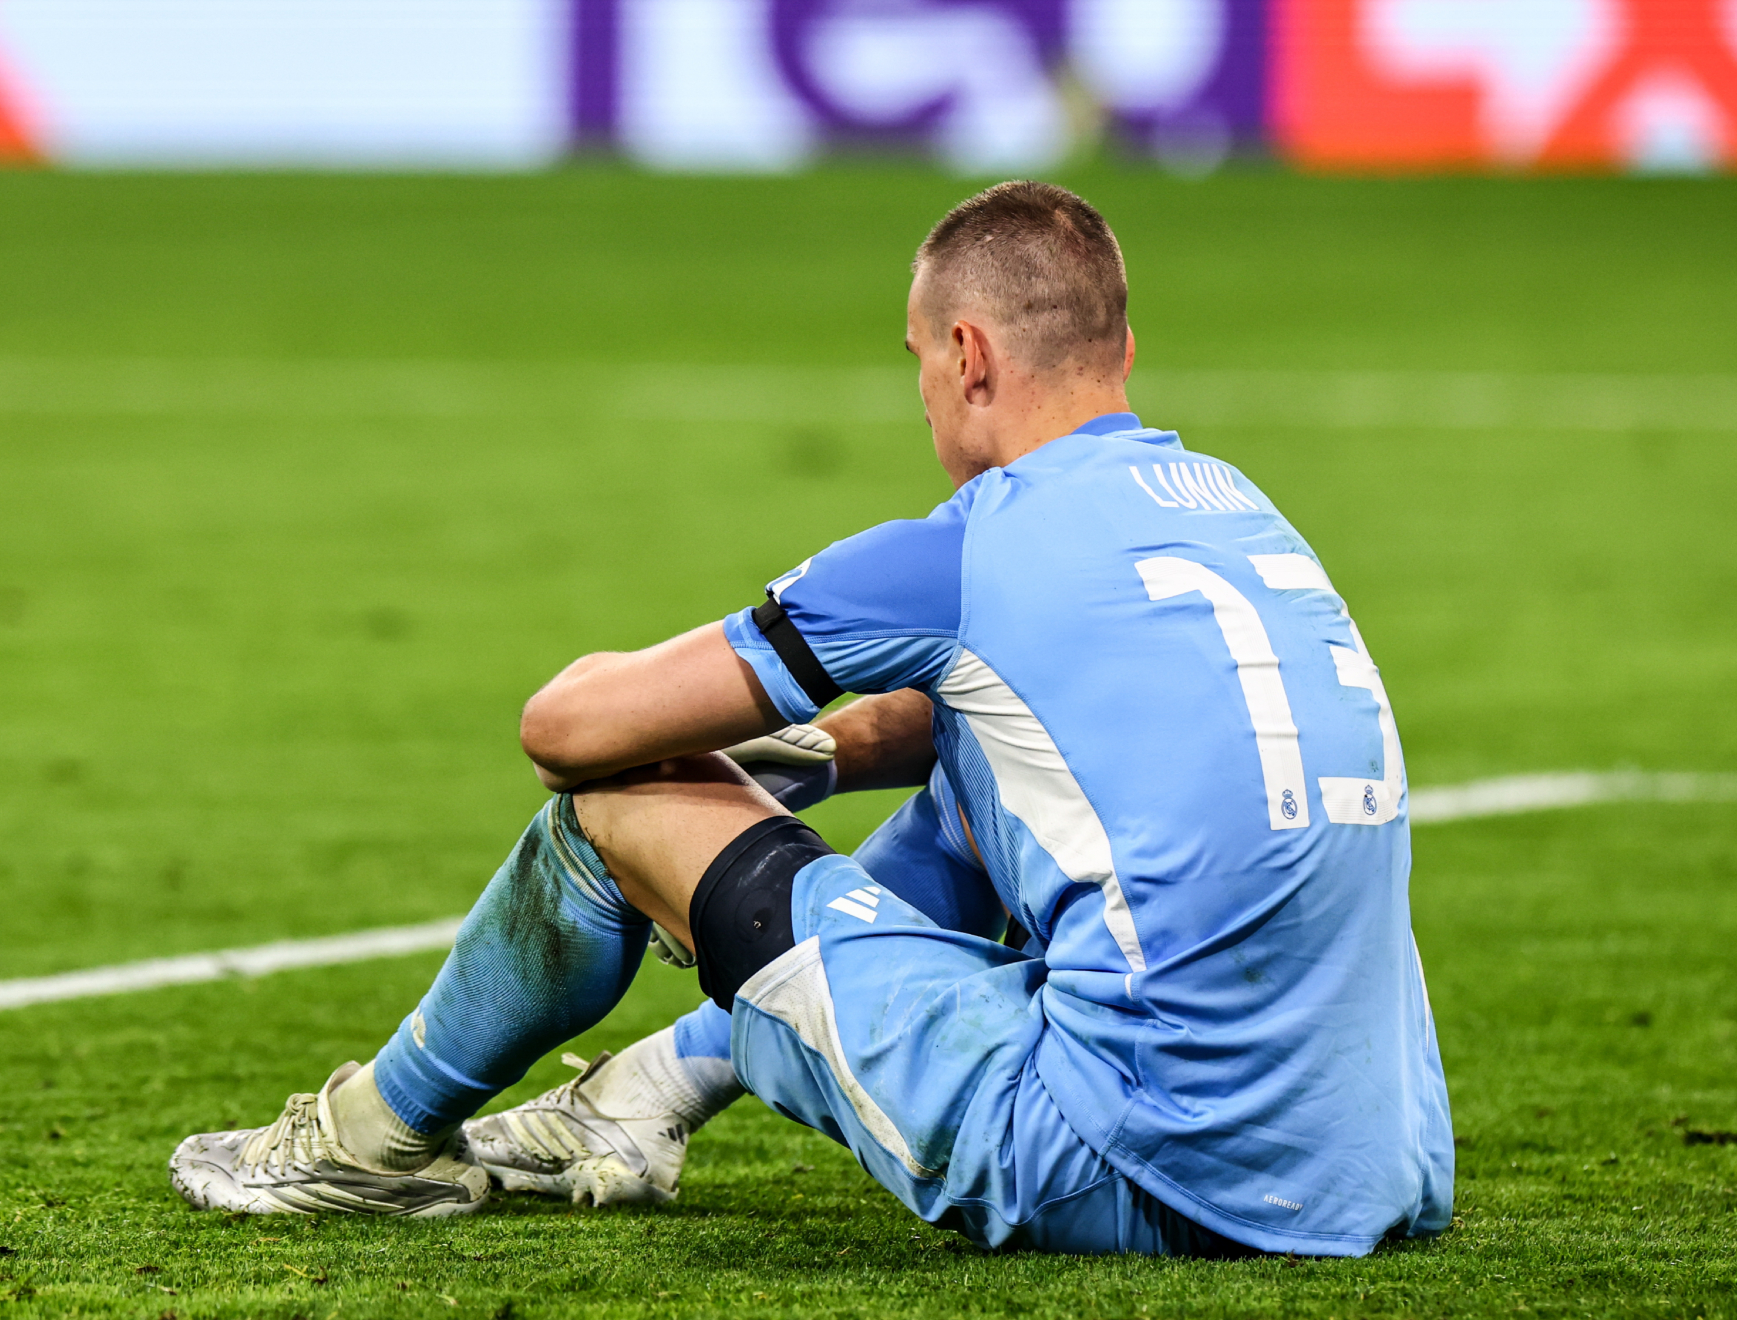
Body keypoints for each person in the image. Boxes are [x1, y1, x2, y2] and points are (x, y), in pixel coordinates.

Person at [168, 180, 1453, 1256]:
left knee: (621, 799)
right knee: (988, 790)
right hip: (1371, 1167)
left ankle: (368, 1143)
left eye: (919, 365)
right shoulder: (1236, 510)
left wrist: (716, 769)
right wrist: (816, 759)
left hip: (1133, 1169)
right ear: (1118, 345)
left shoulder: (957, 559)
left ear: (968, 356)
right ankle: (643, 1095)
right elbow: (995, 731)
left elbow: (566, 727)